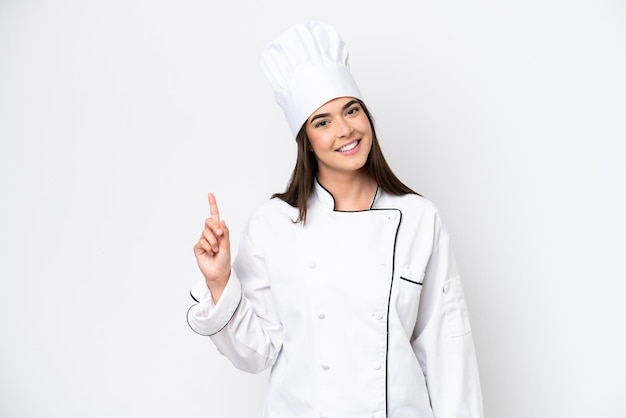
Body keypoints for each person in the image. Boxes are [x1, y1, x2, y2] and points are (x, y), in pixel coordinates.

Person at [187, 21, 484, 418]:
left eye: (351, 110)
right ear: (305, 139)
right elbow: (256, 352)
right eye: (322, 121)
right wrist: (220, 281)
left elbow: (449, 352)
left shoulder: (419, 219)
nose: (345, 130)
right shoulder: (272, 225)